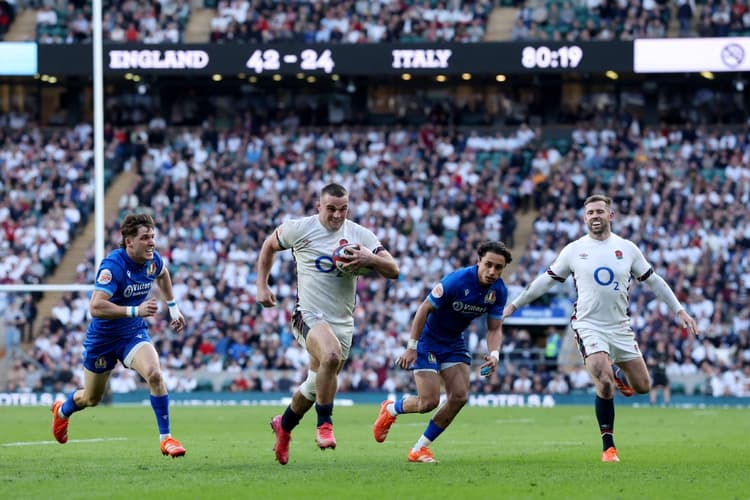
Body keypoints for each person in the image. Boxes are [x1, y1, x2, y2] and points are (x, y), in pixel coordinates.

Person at [502, 194, 698, 462]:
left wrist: (679, 309)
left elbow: (655, 281)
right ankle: (609, 447)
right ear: (584, 218)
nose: (594, 216)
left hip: (619, 326)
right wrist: (515, 305)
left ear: (610, 215)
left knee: (642, 387)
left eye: (599, 212)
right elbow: (544, 282)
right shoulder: (574, 250)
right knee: (601, 378)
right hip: (588, 324)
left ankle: (618, 371)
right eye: (590, 213)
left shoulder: (627, 248)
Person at [256, 183, 399, 465]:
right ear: (318, 207)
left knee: (314, 384)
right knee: (330, 355)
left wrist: (369, 258)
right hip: (307, 313)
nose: (337, 215)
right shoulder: (299, 229)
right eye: (331, 208)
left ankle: (283, 426)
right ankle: (325, 424)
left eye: (343, 209)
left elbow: (393, 270)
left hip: (343, 321)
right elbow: (269, 246)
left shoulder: (359, 235)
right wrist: (262, 285)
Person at [50, 213, 188, 458]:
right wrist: (136, 309)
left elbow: (164, 274)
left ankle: (166, 439)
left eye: (153, 237)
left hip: (132, 332)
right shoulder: (113, 266)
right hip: (102, 339)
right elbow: (95, 307)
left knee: (155, 374)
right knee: (92, 398)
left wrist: (174, 308)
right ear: (129, 242)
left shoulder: (152, 261)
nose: (152, 242)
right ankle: (63, 410)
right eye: (145, 238)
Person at [372, 241, 512, 463]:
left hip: (454, 343)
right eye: (489, 265)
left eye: (499, 268)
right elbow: (423, 309)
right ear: (479, 262)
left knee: (459, 397)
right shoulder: (456, 281)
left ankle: (418, 449)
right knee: (428, 403)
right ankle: (391, 409)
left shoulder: (499, 291)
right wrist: (411, 347)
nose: (493, 271)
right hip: (428, 341)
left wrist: (494, 354)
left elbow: (495, 328)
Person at [647, 338, 671, 406]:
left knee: (666, 387)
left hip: (663, 372)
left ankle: (667, 402)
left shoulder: (665, 353)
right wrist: (657, 362)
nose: (661, 345)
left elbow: (667, 362)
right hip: (656, 372)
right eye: (660, 344)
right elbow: (649, 361)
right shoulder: (654, 352)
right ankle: (652, 402)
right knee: (654, 388)